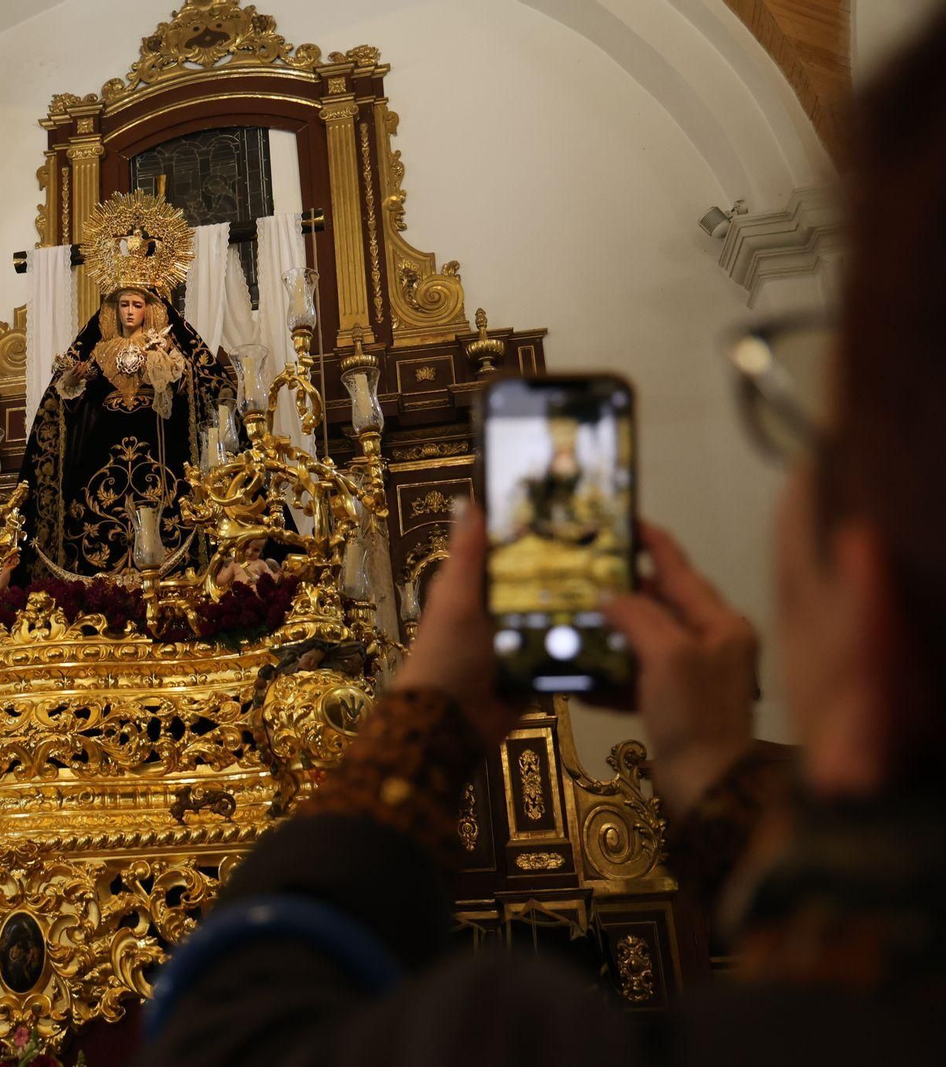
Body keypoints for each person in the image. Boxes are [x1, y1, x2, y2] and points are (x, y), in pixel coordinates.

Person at [134, 12, 946, 1066]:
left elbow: (229, 1035)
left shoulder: (513, 1037)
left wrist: (424, 718)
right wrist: (710, 765)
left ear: (868, 608)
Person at [18, 191, 232, 578]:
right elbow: (69, 410)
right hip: (103, 448)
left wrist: (164, 365)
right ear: (113, 308)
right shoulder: (99, 349)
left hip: (156, 443)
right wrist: (73, 384)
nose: (130, 312)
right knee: (93, 516)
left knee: (168, 504)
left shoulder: (165, 343)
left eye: (136, 305)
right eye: (123, 305)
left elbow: (193, 393)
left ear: (148, 308)